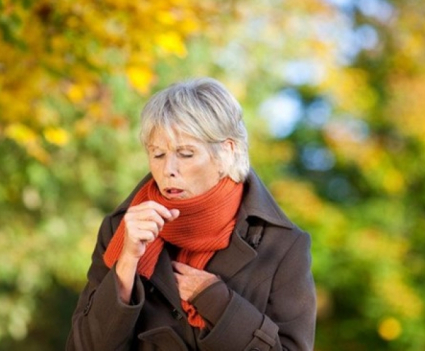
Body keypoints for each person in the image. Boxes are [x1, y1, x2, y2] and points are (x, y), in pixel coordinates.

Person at [66, 77, 316, 351]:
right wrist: (126, 264)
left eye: (185, 154)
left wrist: (215, 301)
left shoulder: (282, 244)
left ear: (227, 152)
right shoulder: (123, 228)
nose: (168, 169)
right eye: (158, 154)